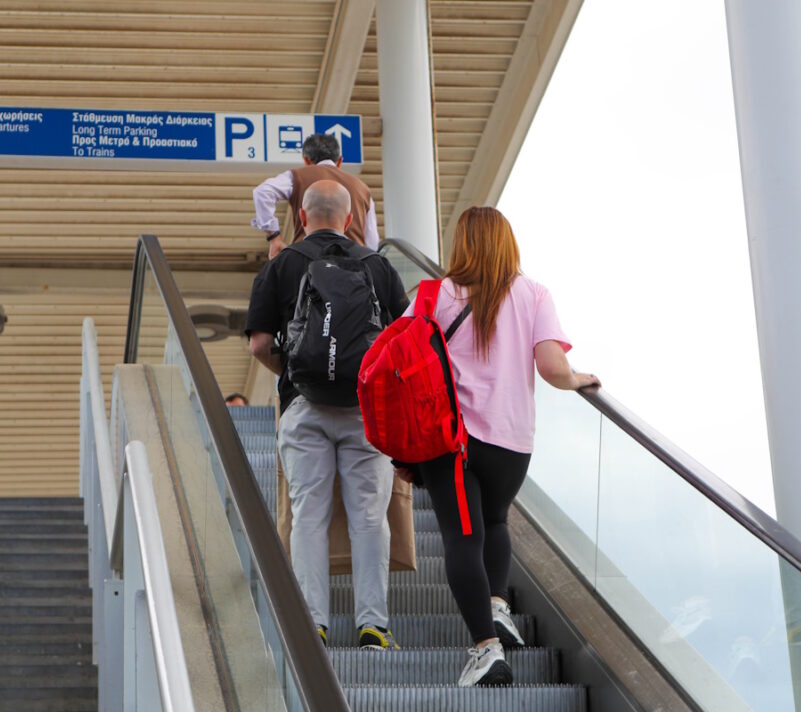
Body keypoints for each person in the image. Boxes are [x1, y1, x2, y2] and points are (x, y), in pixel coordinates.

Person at [399, 206, 599, 686]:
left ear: (462, 244)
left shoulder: (436, 295)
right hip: (512, 443)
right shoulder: (534, 294)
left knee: (462, 538)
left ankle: (486, 649)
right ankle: (497, 604)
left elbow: (400, 360)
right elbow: (552, 367)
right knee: (495, 521)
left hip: (453, 442)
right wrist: (579, 379)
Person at [245, 180, 409, 649]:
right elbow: (403, 340)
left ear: (301, 217)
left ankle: (311, 626)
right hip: (365, 413)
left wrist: (296, 374)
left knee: (309, 515)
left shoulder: (281, 265)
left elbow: (259, 344)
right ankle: (373, 626)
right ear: (350, 219)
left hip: (303, 408)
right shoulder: (377, 265)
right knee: (369, 518)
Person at [251, 133, 380, 260]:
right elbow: (372, 243)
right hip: (353, 265)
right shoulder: (362, 188)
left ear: (306, 160)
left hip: (307, 262)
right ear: (340, 161)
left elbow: (263, 192)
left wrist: (274, 237)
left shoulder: (297, 177)